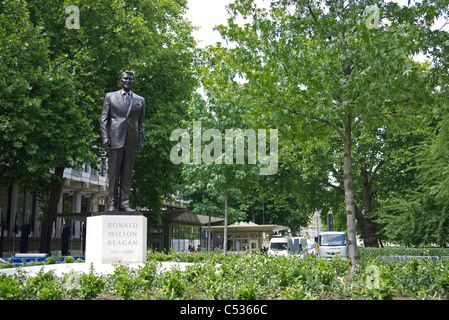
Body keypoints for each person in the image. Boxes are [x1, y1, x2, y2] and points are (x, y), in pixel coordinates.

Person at [100, 71, 145, 212]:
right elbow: (104, 119)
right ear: (120, 80)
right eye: (125, 78)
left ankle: (124, 203)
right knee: (113, 173)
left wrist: (140, 141)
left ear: (134, 81)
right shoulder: (110, 96)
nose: (128, 81)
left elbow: (141, 124)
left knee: (127, 174)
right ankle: (112, 204)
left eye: (131, 79)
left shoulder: (140, 100)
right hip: (114, 139)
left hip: (131, 141)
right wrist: (105, 137)